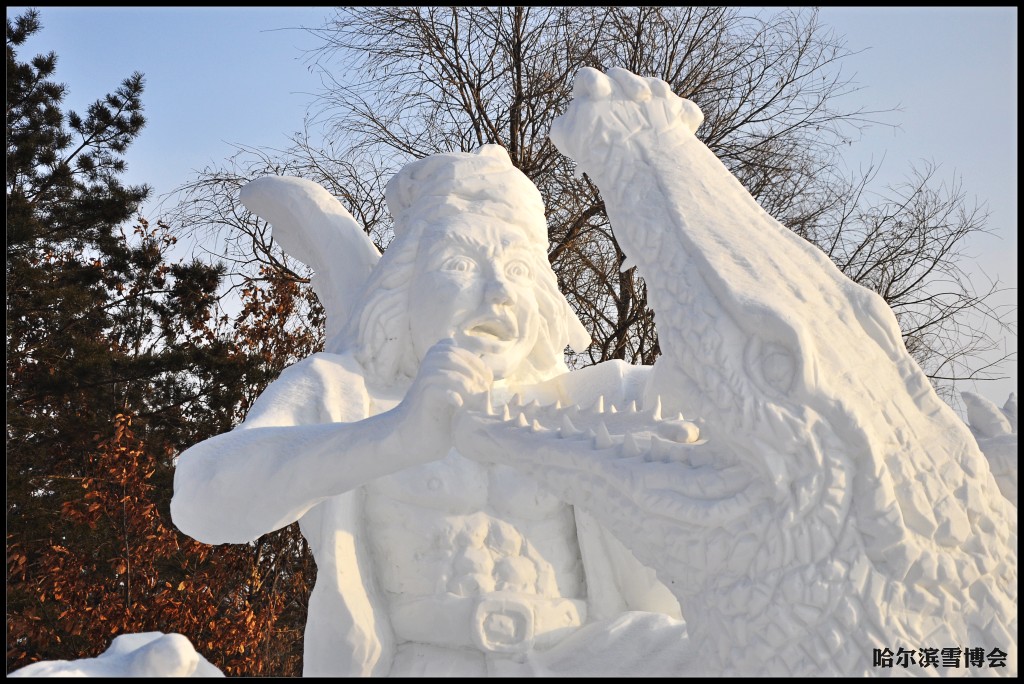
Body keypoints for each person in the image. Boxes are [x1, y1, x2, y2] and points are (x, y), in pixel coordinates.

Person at [171, 145, 685, 677]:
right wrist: (395, 437)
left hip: (583, 658)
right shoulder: (346, 393)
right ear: (402, 285)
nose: (499, 292)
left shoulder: (602, 398)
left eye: (517, 269)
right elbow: (202, 498)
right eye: (460, 264)